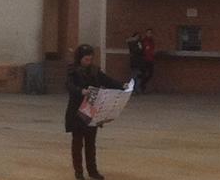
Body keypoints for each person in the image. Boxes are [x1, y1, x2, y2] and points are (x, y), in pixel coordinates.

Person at [64, 43, 125, 180]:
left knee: (91, 143)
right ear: (80, 58)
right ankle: (78, 172)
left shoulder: (95, 71)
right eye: (86, 59)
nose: (88, 62)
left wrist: (122, 86)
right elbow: (69, 86)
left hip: (92, 110)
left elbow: (108, 81)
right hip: (77, 112)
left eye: (90, 59)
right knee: (77, 143)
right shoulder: (72, 70)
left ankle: (93, 171)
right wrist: (81, 91)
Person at [133, 28, 156, 93]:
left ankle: (142, 85)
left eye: (150, 33)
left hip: (150, 59)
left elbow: (152, 50)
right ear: (146, 33)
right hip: (144, 60)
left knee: (150, 74)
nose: (149, 34)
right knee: (143, 74)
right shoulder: (143, 41)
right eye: (148, 33)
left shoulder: (152, 41)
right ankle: (140, 86)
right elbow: (141, 50)